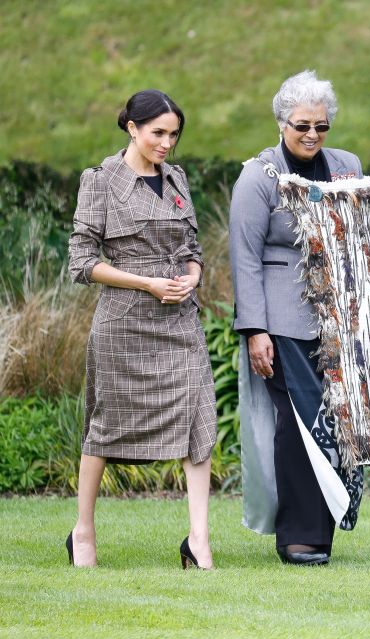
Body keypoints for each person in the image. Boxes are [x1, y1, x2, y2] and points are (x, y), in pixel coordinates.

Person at [67, 90, 216, 569]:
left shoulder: (177, 178)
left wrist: (191, 277)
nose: (167, 143)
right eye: (158, 132)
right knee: (105, 425)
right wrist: (146, 283)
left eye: (174, 134)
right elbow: (82, 261)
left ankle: (199, 540)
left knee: (199, 417)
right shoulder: (100, 180)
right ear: (132, 127)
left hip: (179, 316)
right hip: (124, 320)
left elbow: (193, 245)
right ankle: (83, 533)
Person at [229, 70, 365, 566]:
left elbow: (361, 241)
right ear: (282, 122)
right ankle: (298, 536)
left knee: (336, 422)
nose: (312, 135)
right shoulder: (257, 177)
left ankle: (323, 529)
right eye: (302, 124)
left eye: (321, 126)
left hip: (340, 324)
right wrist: (254, 330)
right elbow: (243, 257)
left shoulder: (348, 166)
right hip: (281, 324)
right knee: (299, 422)